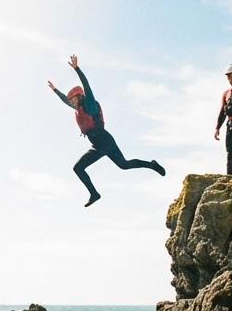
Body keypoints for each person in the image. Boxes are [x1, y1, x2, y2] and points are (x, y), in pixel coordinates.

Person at [47, 54, 165, 207]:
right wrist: (55, 90)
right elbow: (65, 100)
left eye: (73, 99)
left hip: (105, 140)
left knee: (123, 165)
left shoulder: (89, 103)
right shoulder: (78, 107)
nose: (72, 103)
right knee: (82, 168)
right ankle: (94, 194)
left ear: (79, 97)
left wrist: (77, 69)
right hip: (98, 144)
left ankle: (152, 165)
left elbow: (87, 87)